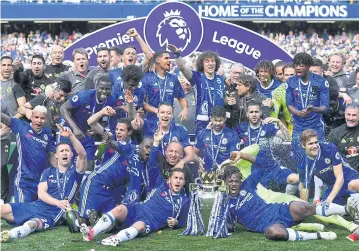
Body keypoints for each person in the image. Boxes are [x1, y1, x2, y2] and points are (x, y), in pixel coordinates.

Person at [80, 129, 190, 246]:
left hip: (150, 221)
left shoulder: (184, 200)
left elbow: (184, 220)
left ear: (184, 182)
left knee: (140, 226)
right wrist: (157, 142)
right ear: (169, 179)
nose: (178, 181)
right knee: (119, 209)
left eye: (181, 179)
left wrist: (176, 222)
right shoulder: (160, 184)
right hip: (138, 208)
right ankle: (91, 233)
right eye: (176, 178)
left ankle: (116, 238)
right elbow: (152, 162)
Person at [223, 164, 359, 242]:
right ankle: (318, 235)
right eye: (230, 181)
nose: (234, 184)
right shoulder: (225, 203)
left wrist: (241, 154)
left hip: (277, 209)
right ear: (225, 182)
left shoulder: (248, 184)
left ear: (240, 181)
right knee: (273, 233)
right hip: (267, 225)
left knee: (303, 206)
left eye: (236, 181)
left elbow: (261, 164)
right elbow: (229, 226)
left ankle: (346, 210)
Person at [0, 124, 87, 243]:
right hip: (36, 205)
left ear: (72, 154)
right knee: (2, 210)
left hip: (54, 212)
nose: (65, 153)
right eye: (62, 151)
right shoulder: (48, 172)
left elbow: (82, 155)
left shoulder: (76, 173)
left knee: (32, 224)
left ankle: (11, 234)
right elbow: (41, 194)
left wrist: (71, 135)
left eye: (67, 151)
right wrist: (57, 202)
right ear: (56, 155)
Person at [60, 75, 116, 171]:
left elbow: (104, 120)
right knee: (67, 161)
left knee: (89, 165)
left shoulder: (111, 100)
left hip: (86, 132)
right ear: (96, 87)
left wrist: (95, 130)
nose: (104, 91)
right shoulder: (84, 96)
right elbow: (63, 108)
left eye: (107, 89)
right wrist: (75, 129)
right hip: (71, 128)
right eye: (101, 88)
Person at [0, 106, 56, 203]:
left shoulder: (48, 134)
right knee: (23, 211)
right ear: (31, 117)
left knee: (35, 215)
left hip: (40, 183)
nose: (39, 120)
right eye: (36, 117)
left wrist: (59, 171)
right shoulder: (21, 126)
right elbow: (4, 118)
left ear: (46, 119)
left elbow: (51, 156)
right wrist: (25, 110)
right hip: (23, 181)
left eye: (42, 118)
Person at [168, 44, 225, 134]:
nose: (210, 63)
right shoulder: (197, 77)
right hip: (202, 122)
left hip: (219, 122)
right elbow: (182, 67)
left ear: (216, 63)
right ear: (202, 64)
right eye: (207, 61)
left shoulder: (221, 79)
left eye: (213, 61)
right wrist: (177, 55)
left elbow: (224, 98)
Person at [286, 52, 329, 163]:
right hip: (298, 127)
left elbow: (325, 107)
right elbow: (289, 104)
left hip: (316, 126)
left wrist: (313, 109)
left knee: (319, 159)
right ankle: (302, 180)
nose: (298, 68)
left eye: (301, 65)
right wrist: (298, 113)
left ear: (309, 66)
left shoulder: (321, 82)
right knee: (298, 158)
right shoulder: (291, 82)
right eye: (296, 65)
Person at [298, 129, 359, 206]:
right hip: (333, 186)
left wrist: (329, 199)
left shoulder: (329, 149)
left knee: (353, 184)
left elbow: (340, 178)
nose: (315, 146)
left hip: (349, 178)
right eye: (310, 144)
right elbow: (302, 185)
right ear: (303, 145)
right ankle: (347, 206)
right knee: (325, 209)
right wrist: (304, 204)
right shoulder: (302, 162)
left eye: (316, 142)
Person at [132, 102, 194, 167]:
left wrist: (181, 163)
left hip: (174, 168)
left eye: (169, 113)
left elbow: (190, 155)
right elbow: (134, 118)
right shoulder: (150, 125)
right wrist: (130, 103)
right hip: (154, 167)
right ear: (157, 114)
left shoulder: (180, 130)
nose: (165, 115)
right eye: (162, 112)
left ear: (172, 115)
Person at [0, 56, 26, 203]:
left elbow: (22, 108)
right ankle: (3, 199)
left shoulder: (16, 86)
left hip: (12, 132)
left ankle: (9, 198)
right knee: (1, 165)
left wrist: (10, 123)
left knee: (10, 165)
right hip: (1, 132)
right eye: (3, 65)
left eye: (9, 65)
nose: (6, 67)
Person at [142, 51, 188, 126]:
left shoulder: (173, 78)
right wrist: (156, 110)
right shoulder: (147, 77)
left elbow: (181, 97)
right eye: (166, 58)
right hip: (151, 123)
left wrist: (185, 108)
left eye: (169, 58)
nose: (169, 60)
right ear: (157, 60)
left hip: (169, 122)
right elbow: (141, 101)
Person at [194, 106, 240, 173]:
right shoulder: (203, 133)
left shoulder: (232, 135)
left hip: (226, 172)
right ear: (211, 119)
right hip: (207, 172)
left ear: (225, 119)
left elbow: (234, 157)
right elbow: (193, 152)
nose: (218, 123)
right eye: (215, 120)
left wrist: (223, 166)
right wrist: (199, 161)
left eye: (220, 120)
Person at [109, 65, 145, 130]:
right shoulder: (115, 89)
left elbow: (139, 109)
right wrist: (122, 107)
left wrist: (140, 112)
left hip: (132, 128)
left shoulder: (141, 91)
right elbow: (108, 108)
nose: (134, 88)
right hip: (115, 127)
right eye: (131, 85)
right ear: (124, 80)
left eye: (136, 85)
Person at [327, 103, 359, 172]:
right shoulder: (335, 134)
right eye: (348, 114)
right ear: (344, 114)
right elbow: (328, 157)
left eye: (354, 115)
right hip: (345, 174)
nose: (350, 118)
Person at [271, 63, 296, 134]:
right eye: (286, 75)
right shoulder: (278, 92)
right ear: (283, 76)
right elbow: (274, 116)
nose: (289, 77)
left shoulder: (308, 87)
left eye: (292, 75)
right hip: (291, 128)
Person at [224, 63, 245, 129]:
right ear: (230, 73)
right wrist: (225, 101)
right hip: (223, 124)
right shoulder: (221, 85)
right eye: (235, 73)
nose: (237, 75)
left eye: (240, 73)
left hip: (240, 125)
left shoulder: (246, 88)